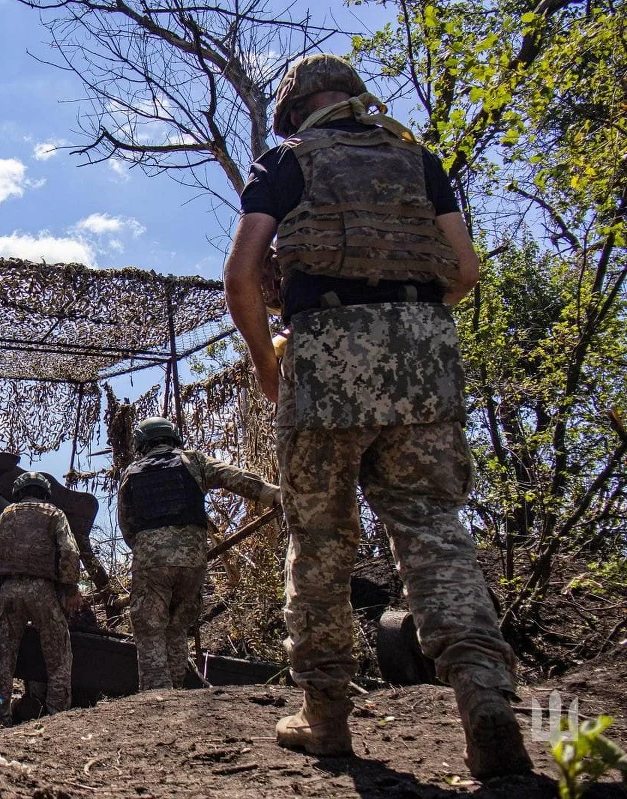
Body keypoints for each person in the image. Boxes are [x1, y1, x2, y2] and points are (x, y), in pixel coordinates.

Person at [222, 53, 532, 779]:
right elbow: (462, 271)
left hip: (324, 358)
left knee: (322, 540)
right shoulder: (418, 160)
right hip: (423, 356)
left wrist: (272, 366)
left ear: (296, 109)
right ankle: (486, 701)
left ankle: (325, 718)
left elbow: (240, 277)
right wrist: (404, 323)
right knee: (434, 532)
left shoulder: (287, 161)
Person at [118, 417, 280, 692]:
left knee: (149, 627)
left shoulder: (132, 472)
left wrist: (147, 548)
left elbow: (126, 523)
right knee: (178, 626)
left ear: (142, 442)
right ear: (172, 437)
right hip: (193, 561)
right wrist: (272, 494)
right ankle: (177, 691)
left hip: (151, 561)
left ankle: (158, 696)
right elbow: (234, 477)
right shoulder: (192, 461)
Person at [0, 471, 82, 726]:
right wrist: (70, 588)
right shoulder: (53, 514)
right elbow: (70, 552)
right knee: (58, 656)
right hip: (42, 590)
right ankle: (56, 719)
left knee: (4, 659)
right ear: (45, 492)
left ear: (18, 492)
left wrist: (2, 580)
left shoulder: (6, 515)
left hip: (9, 590)